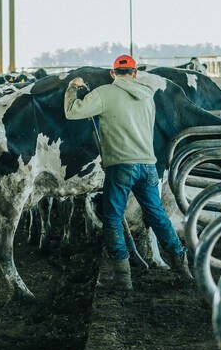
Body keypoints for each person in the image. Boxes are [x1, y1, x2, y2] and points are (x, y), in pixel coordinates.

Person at [64, 55, 191, 290]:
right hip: (148, 165)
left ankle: (123, 278)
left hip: (121, 167)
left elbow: (72, 112)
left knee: (112, 217)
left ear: (113, 74)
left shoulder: (104, 93)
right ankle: (181, 265)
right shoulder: (148, 96)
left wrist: (73, 87)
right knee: (157, 215)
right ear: (135, 73)